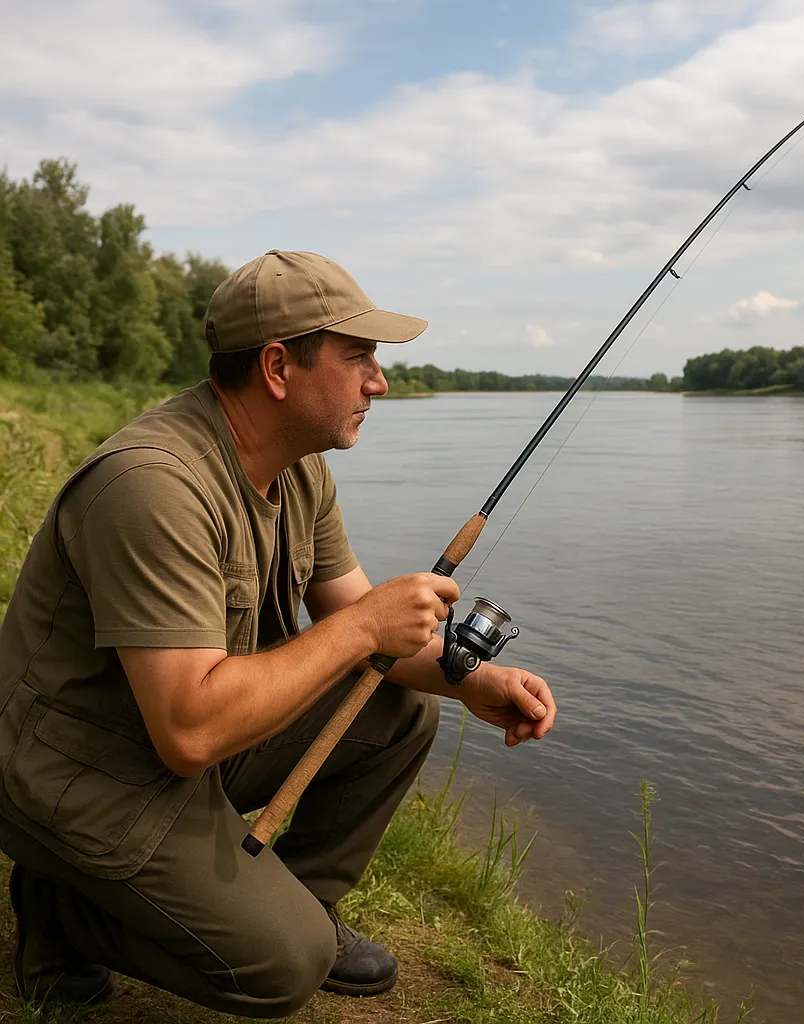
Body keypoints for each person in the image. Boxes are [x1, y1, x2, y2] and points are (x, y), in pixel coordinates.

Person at [0, 250, 557, 1016]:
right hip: (78, 775)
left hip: (165, 742)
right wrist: (365, 625)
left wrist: (472, 680)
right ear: (276, 367)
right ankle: (61, 912)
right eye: (358, 356)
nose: (379, 381)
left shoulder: (299, 468)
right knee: (280, 972)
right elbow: (192, 731)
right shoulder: (152, 486)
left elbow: (364, 624)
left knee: (400, 712)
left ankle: (302, 903)